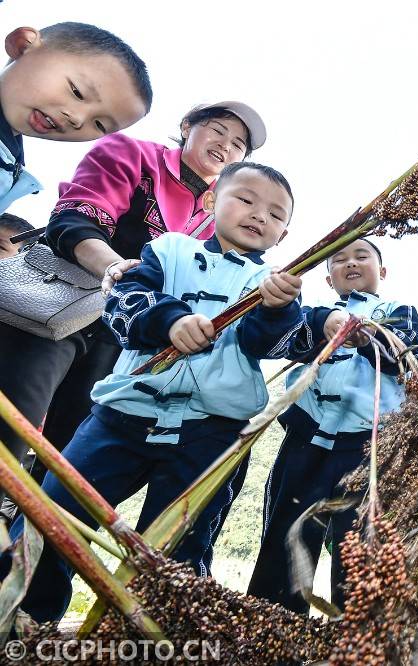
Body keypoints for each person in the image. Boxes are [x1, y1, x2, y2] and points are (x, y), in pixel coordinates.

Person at [2, 162, 302, 624]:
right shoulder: (168, 251)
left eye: (275, 213)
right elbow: (123, 306)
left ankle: (144, 640)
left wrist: (279, 310)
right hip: (122, 415)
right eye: (245, 199)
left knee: (177, 553)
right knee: (52, 518)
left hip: (212, 433)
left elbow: (269, 343)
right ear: (211, 202)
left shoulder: (274, 284)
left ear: (283, 235)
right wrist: (170, 321)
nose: (259, 214)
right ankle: (25, 620)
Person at [0, 98, 266, 509]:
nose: (226, 145)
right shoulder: (133, 154)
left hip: (122, 341)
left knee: (68, 472)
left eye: (239, 145)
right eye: (217, 129)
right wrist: (117, 271)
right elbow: (74, 219)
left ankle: (28, 562)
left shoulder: (219, 215)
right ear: (186, 125)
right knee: (10, 436)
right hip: (54, 312)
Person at [247, 238, 418, 614]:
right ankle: (276, 625)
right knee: (286, 534)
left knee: (360, 545)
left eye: (362, 257)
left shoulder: (398, 311)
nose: (351, 263)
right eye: (339, 260)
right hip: (306, 439)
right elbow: (284, 344)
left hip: (367, 449)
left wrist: (368, 337)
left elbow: (402, 356)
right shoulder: (314, 313)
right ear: (328, 279)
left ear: (383, 271)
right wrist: (321, 323)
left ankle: (358, 630)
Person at [0, 22, 152, 213]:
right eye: (77, 92)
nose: (78, 119)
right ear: (23, 45)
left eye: (99, 124)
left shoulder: (10, 160)